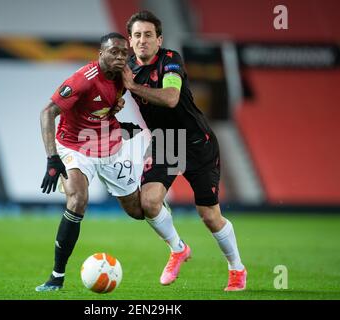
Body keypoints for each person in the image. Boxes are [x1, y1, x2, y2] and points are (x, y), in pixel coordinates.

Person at [122, 11, 247, 291]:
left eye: (148, 35)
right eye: (137, 35)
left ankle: (237, 268)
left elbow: (171, 98)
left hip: (197, 142)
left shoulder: (170, 60)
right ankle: (178, 249)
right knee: (149, 203)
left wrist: (131, 86)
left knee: (209, 216)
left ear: (159, 39)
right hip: (167, 141)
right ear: (130, 41)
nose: (143, 40)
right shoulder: (125, 67)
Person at [35, 32, 147, 292]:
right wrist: (52, 157)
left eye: (124, 53)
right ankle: (56, 276)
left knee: (139, 211)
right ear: (100, 54)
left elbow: (107, 104)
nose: (120, 57)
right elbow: (47, 112)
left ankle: (159, 197)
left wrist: (116, 119)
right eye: (113, 52)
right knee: (77, 200)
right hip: (75, 146)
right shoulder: (82, 80)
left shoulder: (125, 76)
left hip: (108, 147)